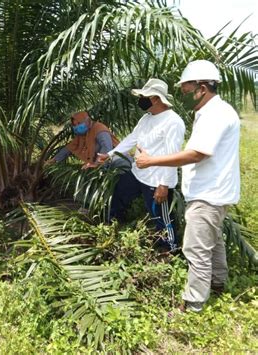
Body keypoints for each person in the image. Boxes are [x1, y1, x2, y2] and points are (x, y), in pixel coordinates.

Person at [136, 60, 240, 312]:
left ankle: (193, 304)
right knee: (213, 242)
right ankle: (217, 283)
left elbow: (196, 154)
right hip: (213, 192)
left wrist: (151, 161)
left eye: (185, 90)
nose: (182, 97)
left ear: (202, 88)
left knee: (196, 250)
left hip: (208, 194)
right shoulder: (211, 112)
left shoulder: (215, 114)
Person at [97, 79, 185, 251]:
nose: (141, 99)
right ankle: (113, 224)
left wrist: (163, 185)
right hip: (138, 173)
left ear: (155, 99)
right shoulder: (147, 118)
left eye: (144, 96)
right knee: (119, 194)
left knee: (161, 217)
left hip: (156, 180)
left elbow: (173, 156)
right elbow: (133, 138)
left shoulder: (173, 122)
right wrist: (109, 155)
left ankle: (170, 248)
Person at [48, 111, 120, 169]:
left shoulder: (99, 129)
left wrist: (97, 164)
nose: (77, 127)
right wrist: (54, 160)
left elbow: (106, 147)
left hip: (118, 163)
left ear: (87, 121)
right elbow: (69, 148)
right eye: (75, 125)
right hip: (105, 166)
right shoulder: (82, 135)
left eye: (79, 123)